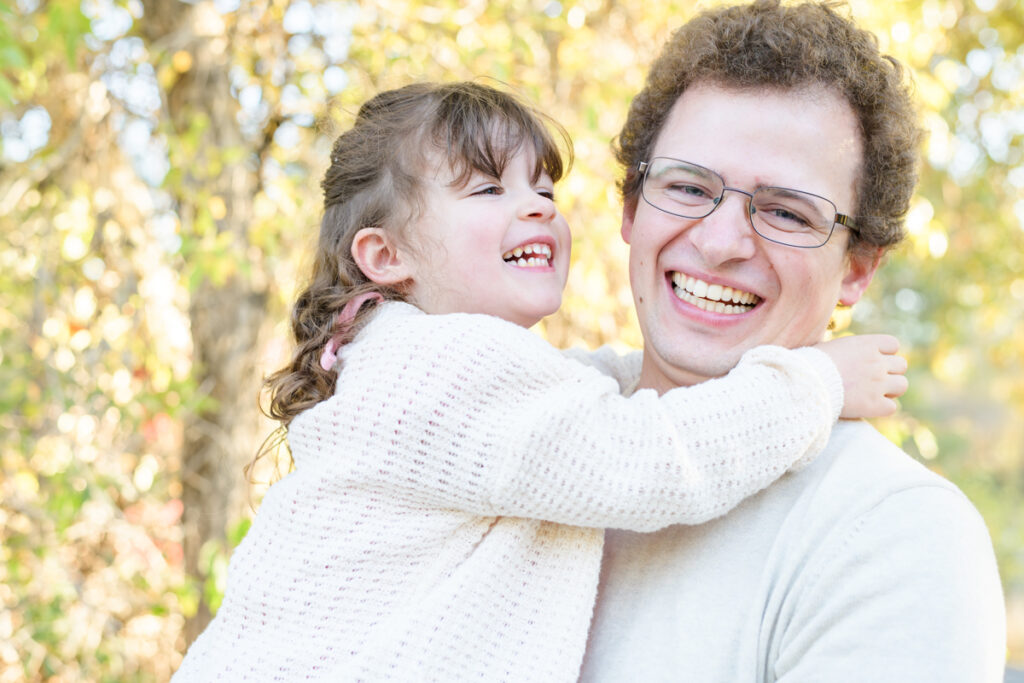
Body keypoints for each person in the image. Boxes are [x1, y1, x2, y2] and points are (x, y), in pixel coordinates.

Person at [172, 81, 906, 681]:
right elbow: (632, 459)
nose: (534, 206)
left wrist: (640, 376)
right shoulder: (440, 368)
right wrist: (814, 383)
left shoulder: (413, 363)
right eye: (487, 189)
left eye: (545, 188)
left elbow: (577, 405)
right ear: (384, 253)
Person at [578, 1, 1006, 681]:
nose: (719, 243)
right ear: (631, 209)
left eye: (784, 211)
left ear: (858, 268)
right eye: (688, 186)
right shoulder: (538, 430)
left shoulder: (893, 533)